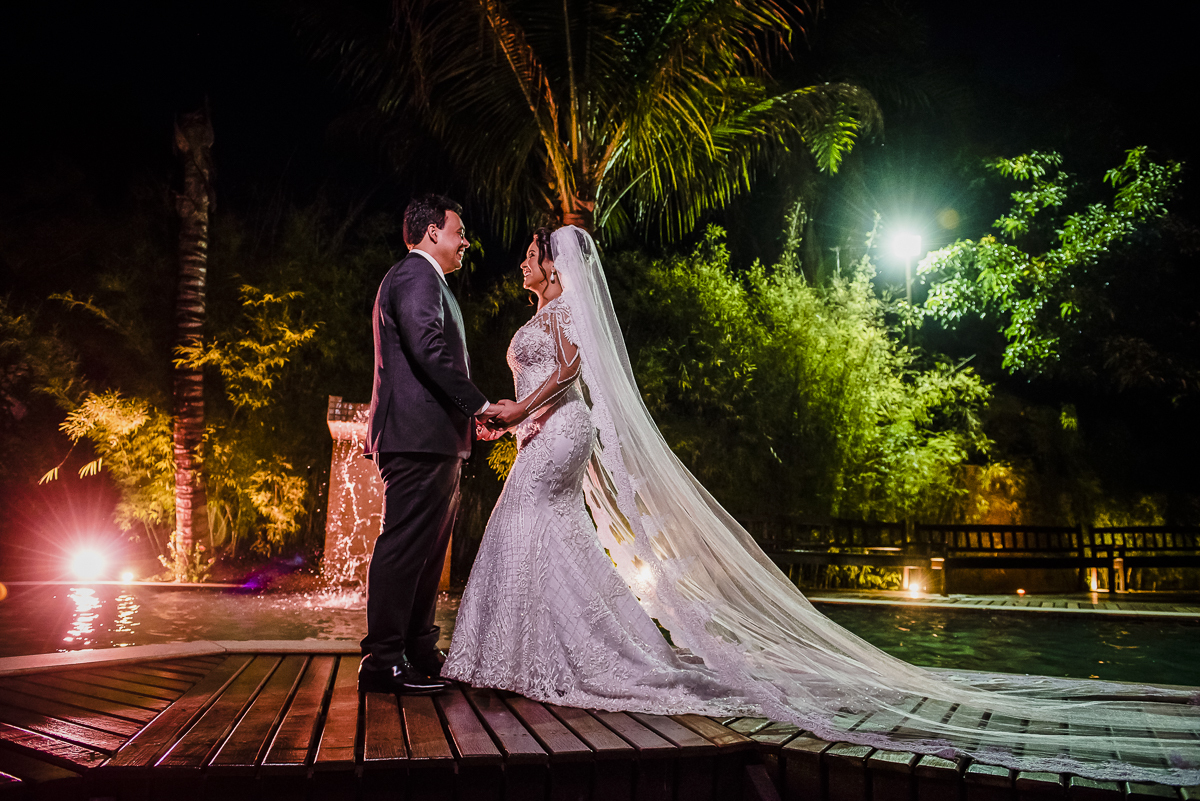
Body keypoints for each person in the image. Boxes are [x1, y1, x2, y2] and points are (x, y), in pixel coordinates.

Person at [444, 225, 1200, 785]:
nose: (520, 261)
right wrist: (514, 412)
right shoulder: (537, 315)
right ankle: (526, 646)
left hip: (559, 428)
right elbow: (548, 379)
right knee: (538, 529)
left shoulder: (567, 311)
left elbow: (575, 369)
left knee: (532, 523)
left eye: (531, 253)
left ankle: (568, 649)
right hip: (543, 427)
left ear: (554, 261)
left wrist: (520, 411)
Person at [359, 194, 514, 696]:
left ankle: (419, 648)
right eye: (458, 231)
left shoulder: (430, 281)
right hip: (414, 438)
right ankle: (382, 661)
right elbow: (428, 350)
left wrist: (468, 420)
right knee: (405, 547)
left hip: (434, 439)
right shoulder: (415, 276)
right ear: (431, 234)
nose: (465, 240)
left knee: (427, 552)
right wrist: (480, 405)